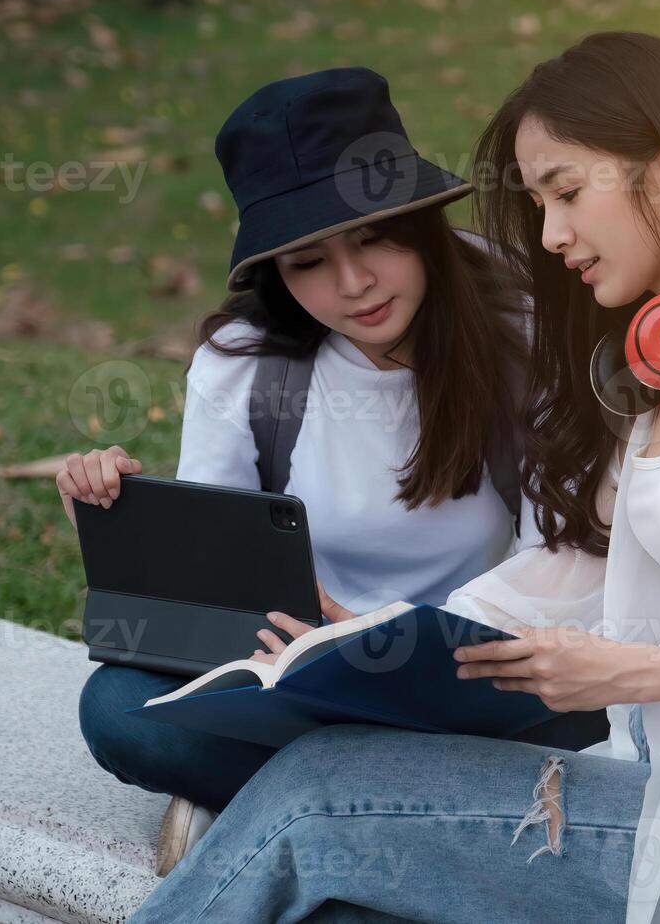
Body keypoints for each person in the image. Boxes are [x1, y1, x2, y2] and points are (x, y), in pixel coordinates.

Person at [128, 32, 660, 924]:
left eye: (567, 192)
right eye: (540, 202)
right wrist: (386, 639)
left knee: (316, 799)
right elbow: (581, 566)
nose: (550, 236)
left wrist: (646, 672)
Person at [64, 67, 544, 878]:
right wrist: (120, 518)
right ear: (276, 271)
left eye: (374, 238)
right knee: (117, 709)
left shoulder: (518, 326)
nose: (352, 284)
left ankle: (285, 808)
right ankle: (401, 814)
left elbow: (560, 552)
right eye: (309, 261)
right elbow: (216, 577)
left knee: (578, 716)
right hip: (297, 675)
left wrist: (382, 635)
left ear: (420, 221)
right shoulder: (245, 362)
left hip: (468, 672)